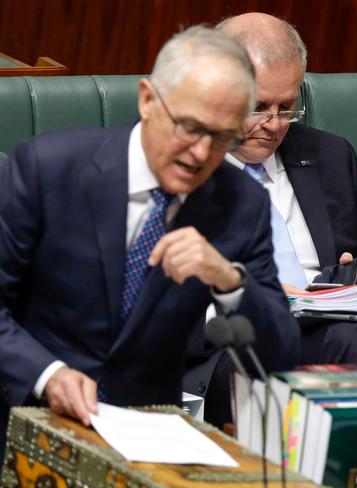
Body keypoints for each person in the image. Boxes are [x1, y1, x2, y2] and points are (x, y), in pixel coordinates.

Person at [0, 25, 300, 458]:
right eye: (189, 127)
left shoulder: (240, 204)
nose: (200, 153)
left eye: (221, 137)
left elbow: (280, 353)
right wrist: (48, 373)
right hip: (27, 413)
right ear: (147, 99)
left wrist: (228, 280)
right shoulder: (48, 169)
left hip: (145, 441)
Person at [183, 13, 357, 424]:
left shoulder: (331, 157)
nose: (273, 125)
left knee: (344, 344)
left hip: (337, 340)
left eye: (286, 107)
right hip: (224, 359)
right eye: (257, 108)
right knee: (340, 353)